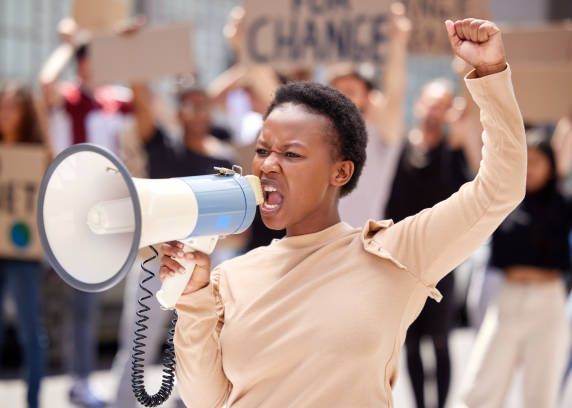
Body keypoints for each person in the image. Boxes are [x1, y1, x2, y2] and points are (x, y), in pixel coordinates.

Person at [159, 18, 527, 407]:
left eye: (292, 153)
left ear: (341, 171)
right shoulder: (229, 277)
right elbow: (205, 401)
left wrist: (490, 74)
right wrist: (195, 301)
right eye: (263, 150)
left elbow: (500, 187)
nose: (267, 165)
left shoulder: (395, 255)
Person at [111, 82, 234, 408]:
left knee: (199, 343)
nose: (198, 113)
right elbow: (141, 104)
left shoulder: (224, 158)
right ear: (179, 112)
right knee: (137, 347)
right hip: (156, 262)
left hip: (205, 264)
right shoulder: (163, 146)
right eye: (191, 105)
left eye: (204, 105)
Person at [38, 18, 136, 408]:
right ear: (81, 65)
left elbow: (150, 106)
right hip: (70, 210)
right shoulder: (69, 98)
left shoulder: (116, 99)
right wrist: (67, 43)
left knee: (89, 302)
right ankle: (77, 380)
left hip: (107, 211)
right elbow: (44, 85)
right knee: (74, 302)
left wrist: (131, 48)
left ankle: (80, 379)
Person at [457, 134, 571, 408]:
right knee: (481, 387)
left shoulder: (563, 205)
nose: (531, 168)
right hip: (507, 299)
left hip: (548, 302)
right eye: (526, 161)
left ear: (552, 165)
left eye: (538, 161)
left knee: (540, 393)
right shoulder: (504, 201)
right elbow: (479, 165)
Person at [384, 78, 470, 408]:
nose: (435, 110)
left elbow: (464, 190)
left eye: (443, 104)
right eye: (432, 103)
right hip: (403, 260)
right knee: (411, 340)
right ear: (419, 104)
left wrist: (458, 135)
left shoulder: (453, 151)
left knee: (440, 339)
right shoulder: (401, 149)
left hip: (442, 259)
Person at [0, 82, 48, 408]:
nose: (5, 113)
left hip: (22, 256)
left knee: (30, 331)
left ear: (26, 113)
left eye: (13, 106)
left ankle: (32, 401)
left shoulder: (41, 155)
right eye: (1, 105)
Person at [331, 2, 411, 225]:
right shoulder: (320, 136)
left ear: (368, 97)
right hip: (319, 244)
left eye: (350, 91)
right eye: (336, 90)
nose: (341, 97)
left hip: (361, 241)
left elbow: (394, 93)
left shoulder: (381, 134)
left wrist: (397, 40)